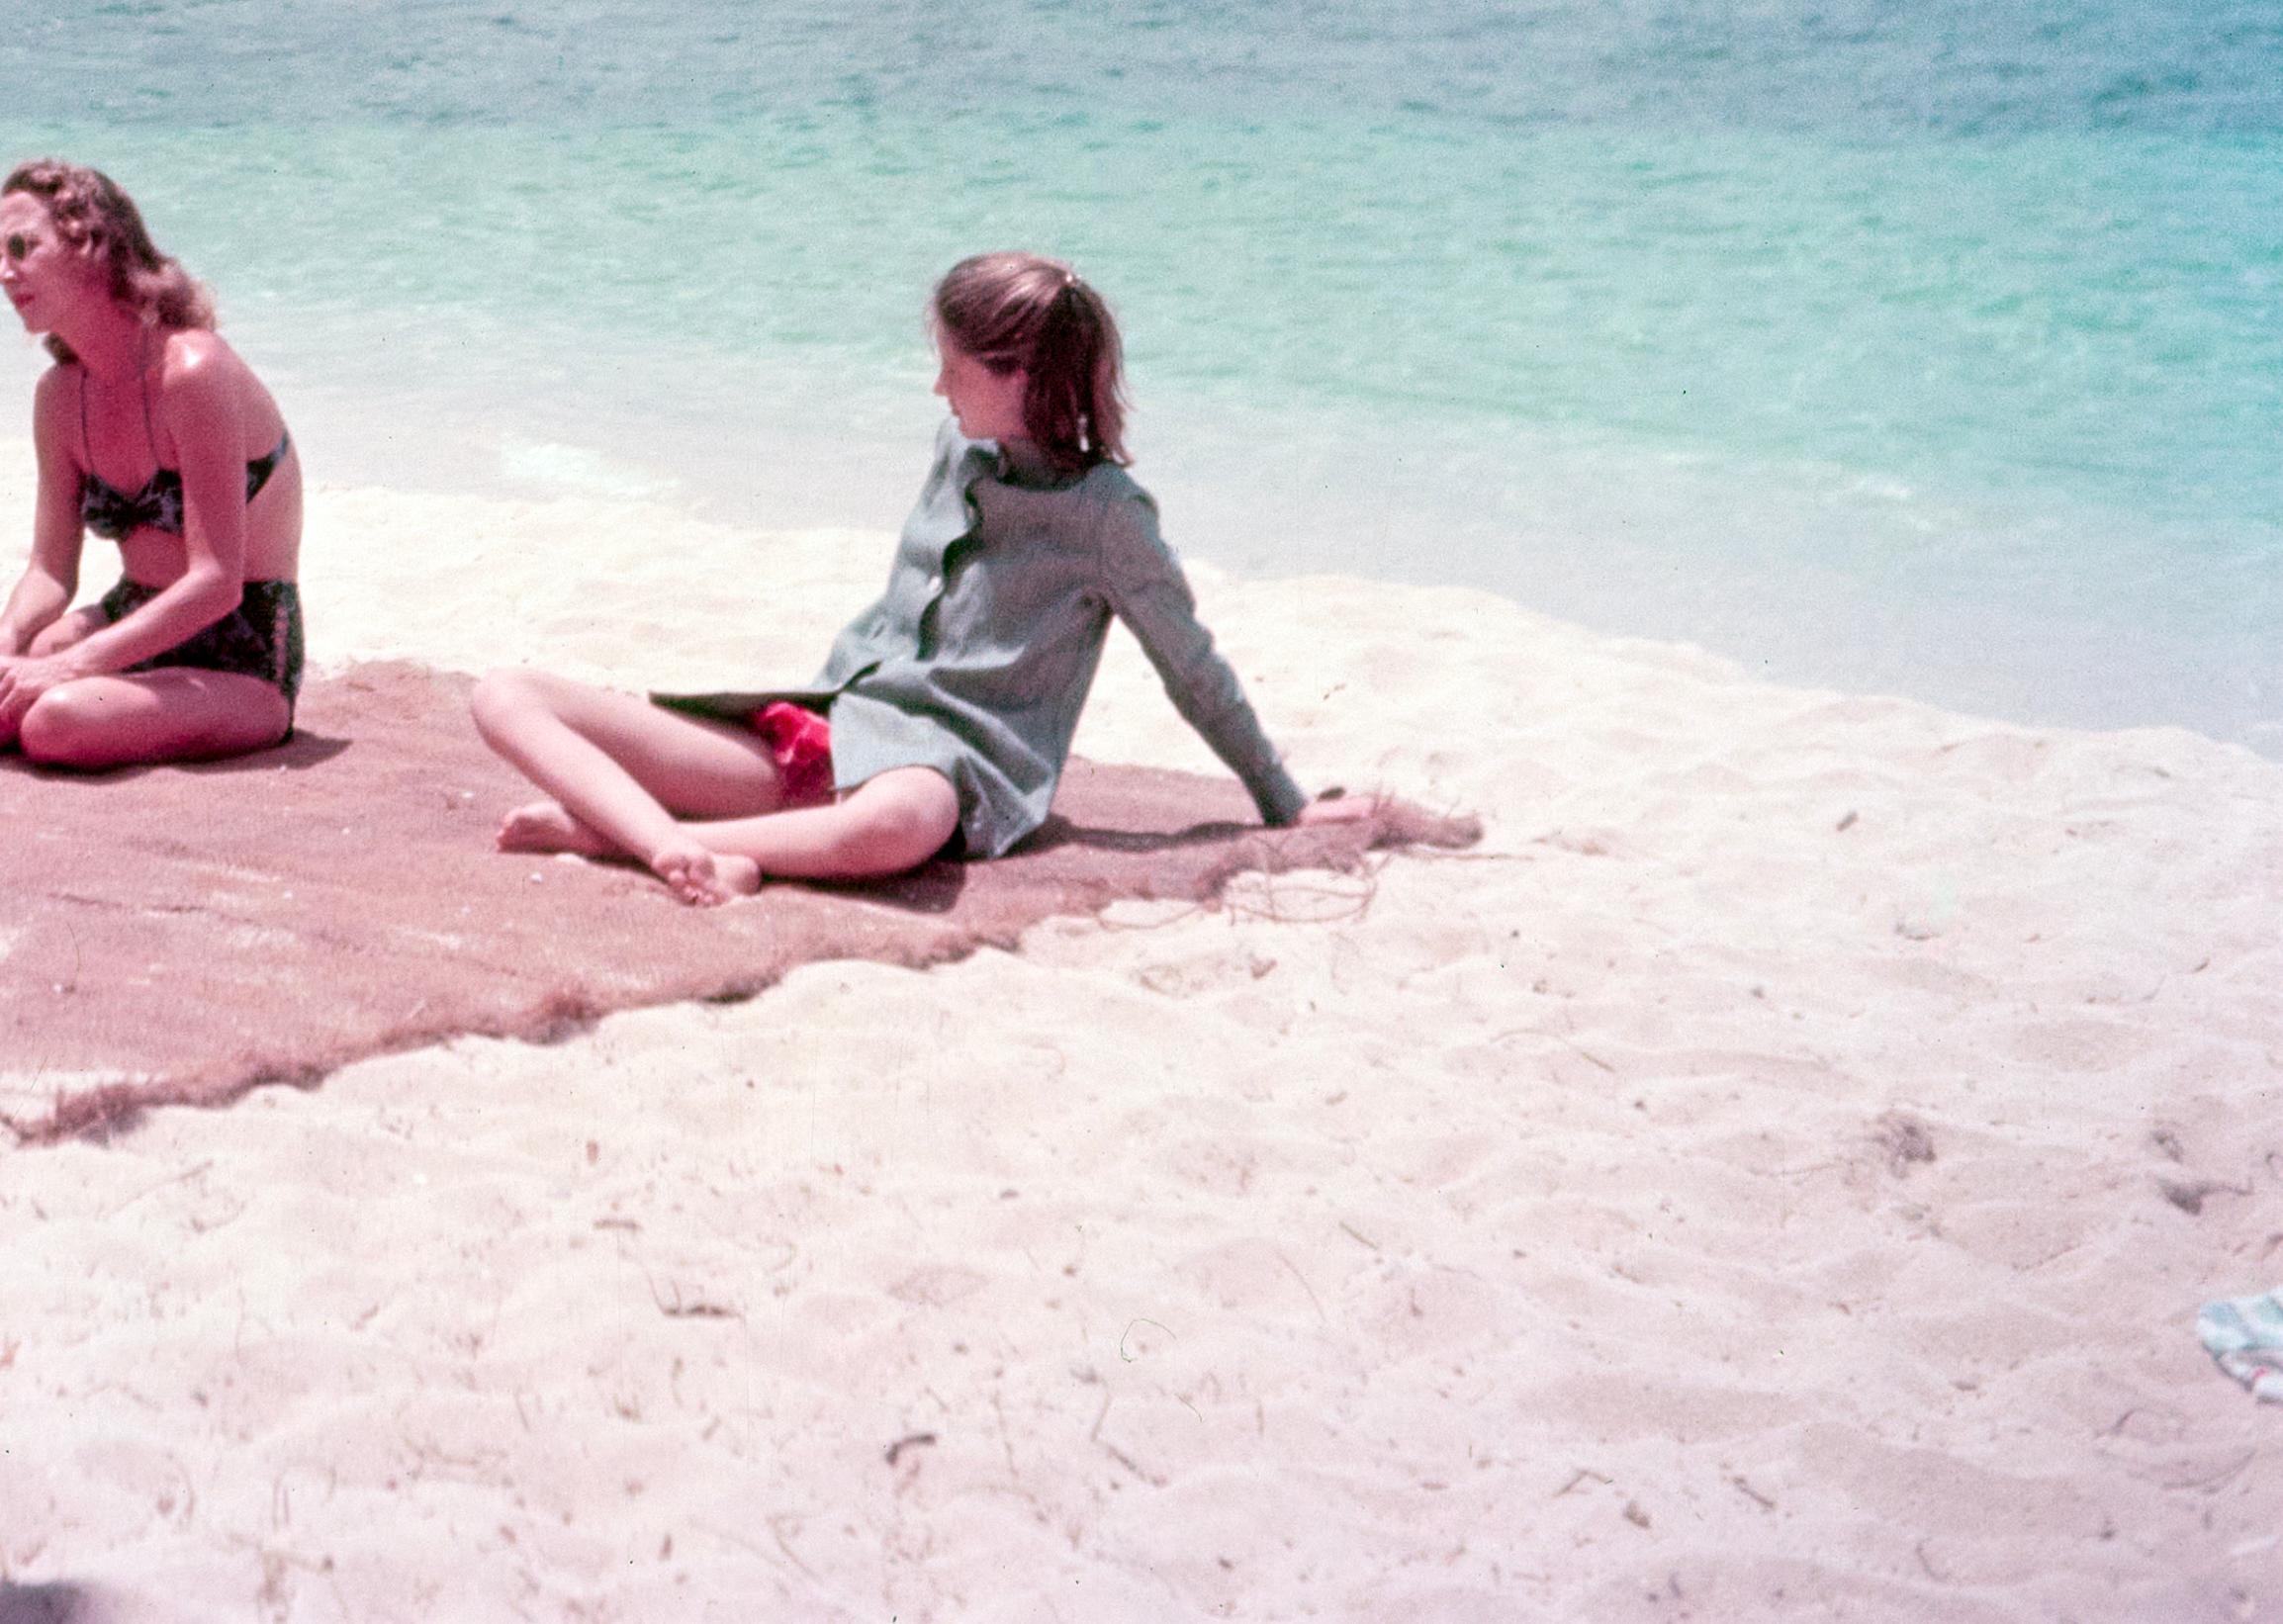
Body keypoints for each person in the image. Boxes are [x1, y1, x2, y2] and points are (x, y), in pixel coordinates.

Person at [471, 250, 1369, 905]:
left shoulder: (1109, 518)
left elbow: (1192, 666)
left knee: (895, 825)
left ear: (1020, 376)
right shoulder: (957, 447)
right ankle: (667, 841)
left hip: (943, 774)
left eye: (953, 365)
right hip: (829, 733)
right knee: (506, 694)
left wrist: (1282, 804)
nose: (939, 388)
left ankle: (633, 840)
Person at [0, 159, 303, 768]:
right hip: (131, 622)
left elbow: (217, 583)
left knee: (56, 721)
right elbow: (51, 570)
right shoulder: (60, 396)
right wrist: (6, 644)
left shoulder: (193, 370)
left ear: (90, 244)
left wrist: (66, 665)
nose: (4, 273)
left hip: (240, 654)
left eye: (20, 247)